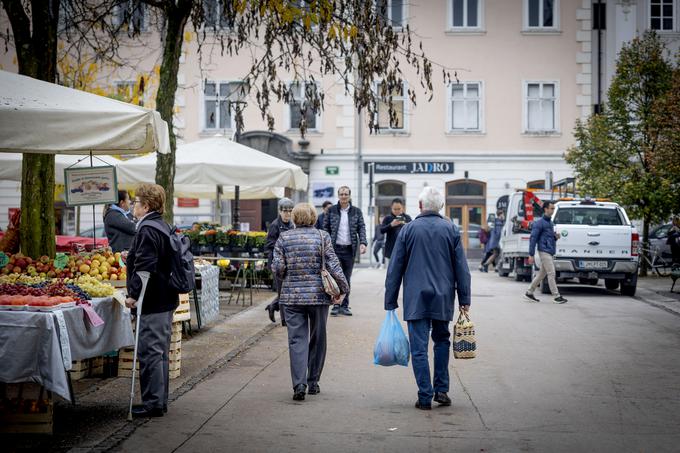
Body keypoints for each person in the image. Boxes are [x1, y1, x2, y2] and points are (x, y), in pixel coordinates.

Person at [385, 187, 471, 410]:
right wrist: (464, 299)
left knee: (419, 347)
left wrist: (390, 300)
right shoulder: (451, 229)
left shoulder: (408, 230)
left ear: (420, 206)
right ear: (440, 206)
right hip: (443, 296)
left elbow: (395, 268)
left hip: (416, 297)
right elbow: (462, 268)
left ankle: (425, 396)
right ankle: (441, 390)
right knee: (442, 341)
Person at [271, 203, 349, 401]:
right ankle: (313, 382)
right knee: (318, 337)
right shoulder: (323, 237)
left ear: (295, 218)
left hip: (291, 298)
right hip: (318, 297)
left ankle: (299, 384)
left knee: (297, 340)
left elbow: (278, 269)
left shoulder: (284, 237)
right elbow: (333, 264)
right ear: (314, 218)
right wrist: (344, 288)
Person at [125, 184, 179, 418]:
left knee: (150, 352)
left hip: (153, 299)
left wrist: (133, 295)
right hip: (164, 297)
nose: (134, 205)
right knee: (159, 352)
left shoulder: (147, 229)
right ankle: (159, 400)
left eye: (136, 202)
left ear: (146, 205)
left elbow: (144, 268)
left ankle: (153, 403)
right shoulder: (161, 225)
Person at [323, 186, 367, 317]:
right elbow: (325, 228)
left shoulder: (356, 212)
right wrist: (326, 245)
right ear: (338, 196)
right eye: (341, 194)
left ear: (349, 196)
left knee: (346, 279)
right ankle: (336, 305)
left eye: (346, 194)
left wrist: (363, 243)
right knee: (336, 277)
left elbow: (361, 227)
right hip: (335, 249)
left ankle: (345, 305)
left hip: (349, 250)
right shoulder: (331, 211)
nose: (343, 196)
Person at [525, 201, 567, 304]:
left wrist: (555, 237)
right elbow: (533, 238)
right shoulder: (539, 223)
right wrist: (531, 254)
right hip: (544, 251)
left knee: (541, 274)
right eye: (551, 208)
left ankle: (529, 292)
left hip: (549, 251)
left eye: (553, 208)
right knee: (551, 273)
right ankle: (556, 296)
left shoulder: (550, 223)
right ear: (546, 209)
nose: (553, 211)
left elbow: (548, 238)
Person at [264, 198, 295, 323]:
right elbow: (269, 244)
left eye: (290, 211)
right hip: (277, 263)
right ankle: (284, 320)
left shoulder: (292, 224)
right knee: (282, 291)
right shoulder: (275, 225)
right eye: (285, 211)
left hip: (289, 262)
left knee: (287, 290)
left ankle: (273, 306)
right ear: (280, 211)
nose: (287, 214)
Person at [380, 198, 413, 267]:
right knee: (390, 273)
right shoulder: (388, 218)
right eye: (395, 209)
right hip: (390, 251)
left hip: (404, 250)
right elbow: (381, 230)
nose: (397, 211)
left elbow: (412, 231)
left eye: (399, 209)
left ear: (402, 208)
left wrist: (404, 224)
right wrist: (391, 225)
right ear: (391, 208)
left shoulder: (407, 217)